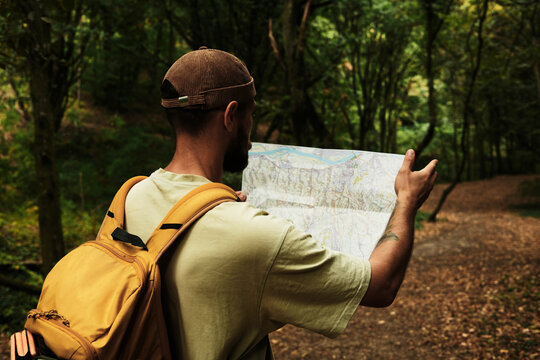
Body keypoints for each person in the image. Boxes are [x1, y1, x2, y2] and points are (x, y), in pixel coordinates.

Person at [124, 47, 438, 359]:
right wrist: (406, 202)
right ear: (232, 116)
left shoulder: (130, 198)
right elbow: (381, 284)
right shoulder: (254, 235)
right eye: (252, 113)